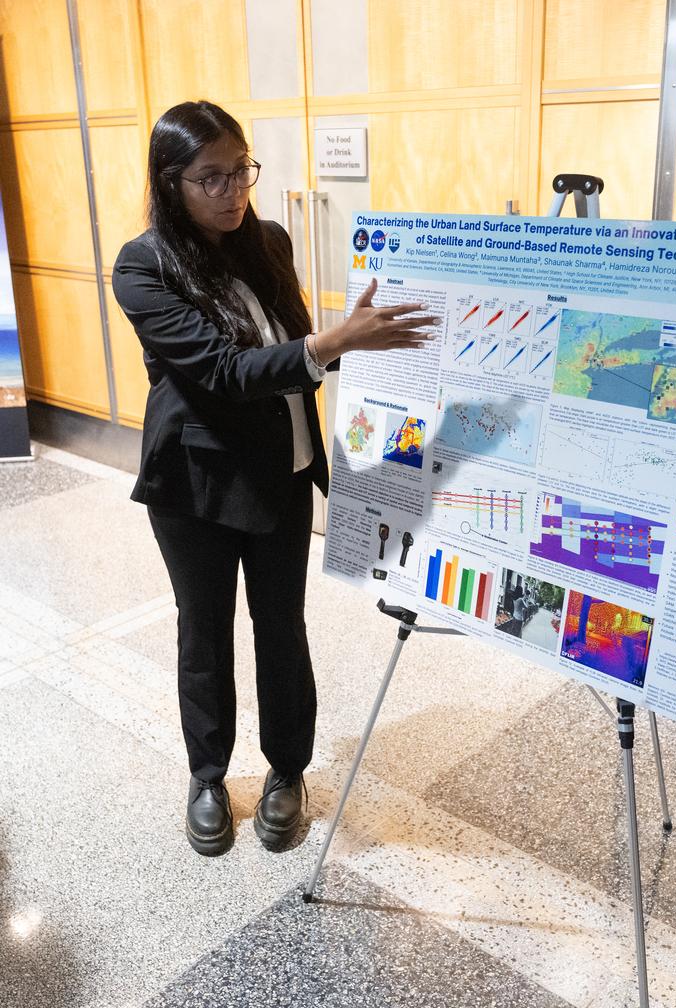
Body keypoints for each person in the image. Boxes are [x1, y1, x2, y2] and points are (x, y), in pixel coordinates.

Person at [112, 101, 435, 857]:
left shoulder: (269, 240)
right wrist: (330, 343)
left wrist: (371, 347)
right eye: (210, 178)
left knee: (281, 631)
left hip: (284, 472)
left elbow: (294, 348)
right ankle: (207, 777)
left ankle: (286, 773)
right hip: (195, 484)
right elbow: (223, 373)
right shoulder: (145, 263)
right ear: (172, 182)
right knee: (205, 633)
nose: (232, 192)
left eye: (241, 171)